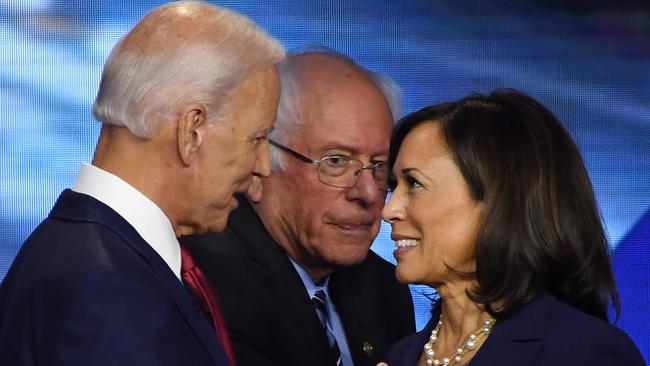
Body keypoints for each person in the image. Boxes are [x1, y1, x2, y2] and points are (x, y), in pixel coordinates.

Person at [0, 2, 284, 365]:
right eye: (257, 138)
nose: (263, 167)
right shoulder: (109, 290)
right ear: (191, 131)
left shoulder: (73, 251)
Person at [379, 89, 646, 366]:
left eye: (414, 184)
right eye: (393, 186)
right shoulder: (399, 357)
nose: (389, 210)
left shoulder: (584, 352)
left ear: (498, 200)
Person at [183, 49, 415, 366]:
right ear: (261, 162)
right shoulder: (209, 278)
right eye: (336, 162)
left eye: (379, 165)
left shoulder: (385, 286)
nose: (367, 192)